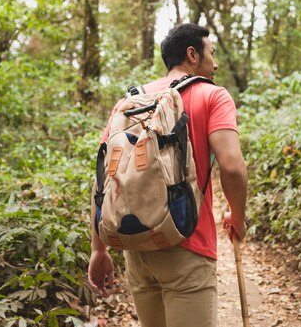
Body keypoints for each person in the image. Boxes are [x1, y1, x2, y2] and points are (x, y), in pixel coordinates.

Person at [88, 23, 248, 327]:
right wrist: (238, 218)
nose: (214, 64)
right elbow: (232, 166)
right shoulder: (213, 96)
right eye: (211, 54)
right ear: (192, 54)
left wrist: (98, 249)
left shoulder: (129, 103)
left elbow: (102, 179)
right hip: (187, 244)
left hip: (137, 247)